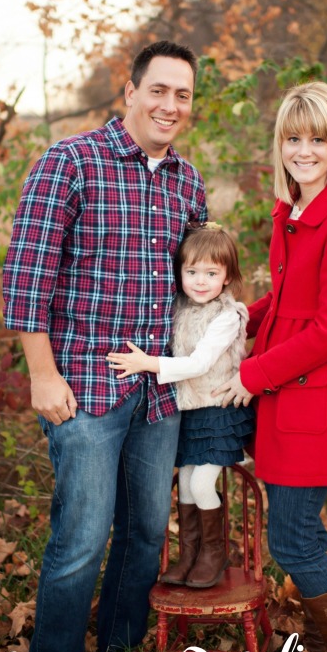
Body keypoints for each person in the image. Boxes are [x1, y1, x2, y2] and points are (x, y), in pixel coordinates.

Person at [2, 41, 207, 652]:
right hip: (83, 390)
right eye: (159, 90)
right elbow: (25, 278)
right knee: (81, 541)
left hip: (156, 394)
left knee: (146, 535)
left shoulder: (188, 182)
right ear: (131, 92)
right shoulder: (70, 163)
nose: (169, 105)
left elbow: (198, 289)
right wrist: (42, 375)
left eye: (183, 95)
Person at [214, 81, 327, 652]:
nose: (303, 150)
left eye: (317, 138)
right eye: (292, 137)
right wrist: (234, 320)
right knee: (298, 527)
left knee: (290, 537)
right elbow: (286, 302)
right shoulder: (293, 211)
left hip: (318, 397)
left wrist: (254, 373)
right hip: (290, 390)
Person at [107, 223, 254, 588]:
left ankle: (215, 553)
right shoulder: (180, 308)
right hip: (190, 411)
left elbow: (200, 363)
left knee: (203, 483)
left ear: (227, 276)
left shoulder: (226, 316)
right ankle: (190, 555)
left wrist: (149, 363)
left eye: (211, 273)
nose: (200, 281)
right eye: (191, 272)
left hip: (217, 412)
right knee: (186, 485)